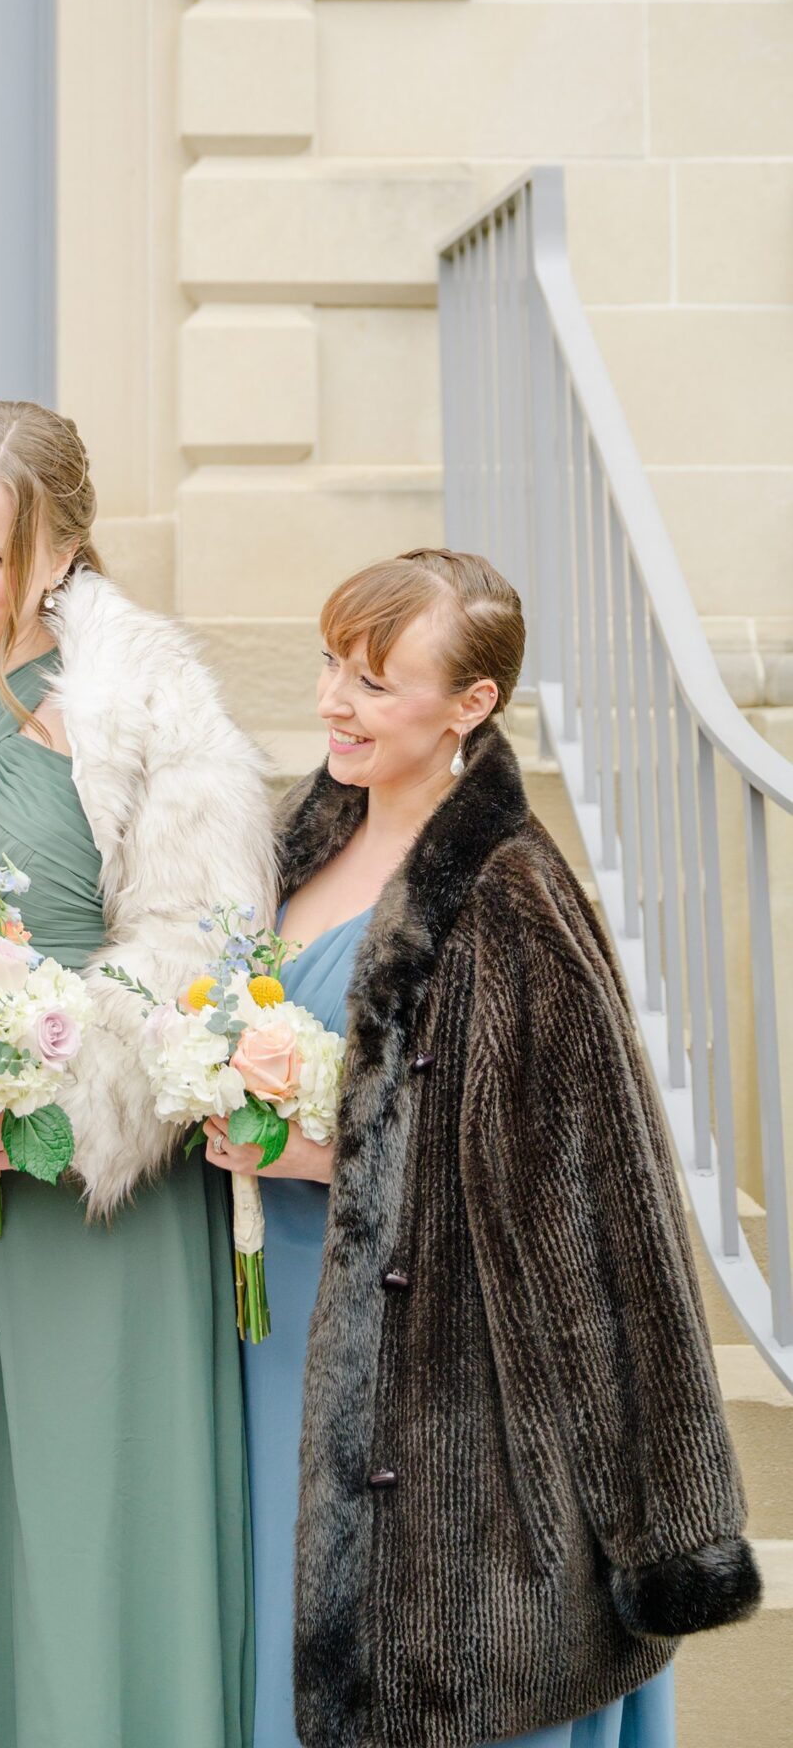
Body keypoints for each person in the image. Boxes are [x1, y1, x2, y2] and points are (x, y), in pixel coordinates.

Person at [207, 546, 759, 1748]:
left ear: (472, 704)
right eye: (327, 663)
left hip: (427, 1382)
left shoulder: (509, 892)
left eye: (373, 679)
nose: (331, 702)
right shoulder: (288, 844)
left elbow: (577, 1189)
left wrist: (333, 1155)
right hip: (271, 1337)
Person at [0, 399, 273, 1748]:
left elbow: (201, 943)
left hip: (96, 1189)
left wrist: (51, 1077)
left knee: (94, 1517)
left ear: (64, 555)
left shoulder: (140, 709)